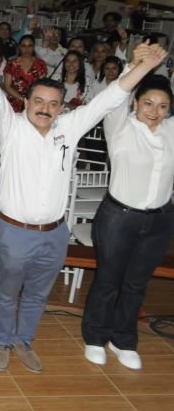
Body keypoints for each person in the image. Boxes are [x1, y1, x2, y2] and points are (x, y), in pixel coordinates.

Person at [0, 43, 165, 374]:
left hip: (54, 233)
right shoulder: (10, 129)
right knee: (8, 292)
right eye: (38, 101)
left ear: (62, 108)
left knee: (38, 294)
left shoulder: (69, 126)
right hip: (14, 231)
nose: (45, 108)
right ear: (25, 102)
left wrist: (141, 67)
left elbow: (110, 98)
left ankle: (24, 340)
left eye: (53, 104)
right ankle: (2, 341)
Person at [81, 70, 173, 371]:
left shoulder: (171, 131)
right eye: (148, 103)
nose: (155, 112)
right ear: (135, 102)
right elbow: (115, 94)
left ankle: (123, 340)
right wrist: (136, 66)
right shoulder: (120, 126)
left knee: (136, 284)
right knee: (108, 281)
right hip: (118, 218)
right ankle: (95, 337)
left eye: (162, 106)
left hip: (159, 220)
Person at [3, 35, 48, 112]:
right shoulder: (12, 63)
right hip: (14, 101)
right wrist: (22, 99)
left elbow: (43, 85)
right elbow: (7, 86)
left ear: (34, 47)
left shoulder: (40, 64)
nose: (27, 49)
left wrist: (32, 100)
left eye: (30, 45)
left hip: (35, 102)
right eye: (24, 46)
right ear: (19, 47)